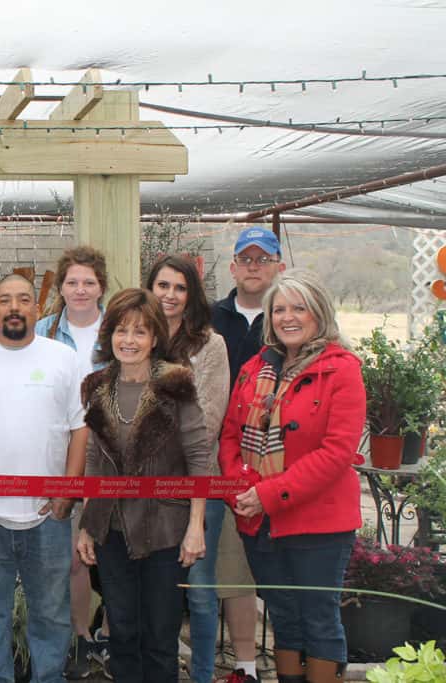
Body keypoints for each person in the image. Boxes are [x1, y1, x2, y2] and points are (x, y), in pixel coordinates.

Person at [219, 269, 364, 683]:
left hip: (318, 523)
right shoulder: (253, 368)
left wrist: (268, 493)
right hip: (259, 521)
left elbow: (336, 454)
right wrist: (239, 490)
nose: (288, 317)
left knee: (318, 619)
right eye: (279, 309)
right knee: (283, 616)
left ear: (319, 312)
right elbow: (230, 434)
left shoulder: (342, 370)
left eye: (299, 308)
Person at [76, 288, 210, 683]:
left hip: (165, 531)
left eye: (139, 332)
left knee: (159, 637)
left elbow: (199, 457)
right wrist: (88, 523)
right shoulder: (97, 385)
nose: (129, 341)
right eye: (121, 330)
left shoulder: (176, 383)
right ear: (109, 335)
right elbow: (96, 460)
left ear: (154, 338)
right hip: (112, 530)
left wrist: (196, 525)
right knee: (123, 632)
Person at [0, 273, 86, 682]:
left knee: (51, 612)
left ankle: (49, 677)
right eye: (4, 300)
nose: (14, 307)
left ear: (37, 308)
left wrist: (68, 491)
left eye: (23, 299)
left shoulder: (63, 358)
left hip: (48, 514)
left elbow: (79, 429)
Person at [146, 256, 230, 683]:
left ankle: (200, 675)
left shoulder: (209, 345)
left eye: (179, 288)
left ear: (191, 295)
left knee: (198, 591)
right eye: (162, 285)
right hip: (144, 491)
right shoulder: (139, 337)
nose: (170, 295)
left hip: (198, 487)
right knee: (152, 592)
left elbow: (209, 418)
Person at [211, 226, 287, 682]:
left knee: (285, 570)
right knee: (234, 567)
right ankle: (245, 665)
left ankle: (292, 658)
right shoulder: (212, 316)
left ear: (279, 266)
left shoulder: (291, 316)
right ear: (234, 266)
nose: (255, 266)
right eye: (247, 258)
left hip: (283, 464)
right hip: (226, 458)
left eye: (265, 258)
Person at [33, 245, 109, 678]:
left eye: (89, 282)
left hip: (110, 454)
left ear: (101, 286)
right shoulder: (43, 330)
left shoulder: (118, 329)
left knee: (113, 548)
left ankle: (112, 635)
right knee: (72, 556)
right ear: (60, 287)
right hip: (61, 452)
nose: (80, 290)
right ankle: (80, 638)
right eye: (72, 282)